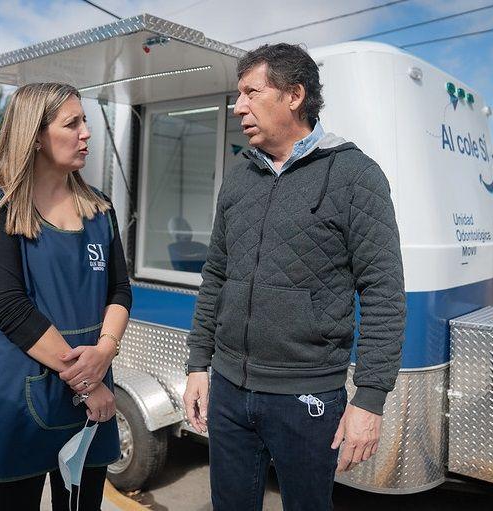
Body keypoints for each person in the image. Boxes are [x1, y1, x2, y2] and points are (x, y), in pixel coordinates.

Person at [182, 43, 406, 510]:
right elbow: (216, 275)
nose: (238, 106)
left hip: (307, 396)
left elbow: (383, 292)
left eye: (251, 93)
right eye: (238, 95)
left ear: (294, 95)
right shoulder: (239, 177)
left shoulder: (355, 175)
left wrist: (369, 400)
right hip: (228, 390)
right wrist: (198, 365)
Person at [0, 82, 131, 511]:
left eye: (85, 121)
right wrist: (89, 382)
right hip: (20, 396)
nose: (86, 132)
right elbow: (10, 308)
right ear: (34, 135)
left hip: (89, 395)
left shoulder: (99, 208)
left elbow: (119, 290)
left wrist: (106, 350)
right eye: (72, 123)